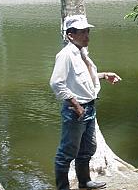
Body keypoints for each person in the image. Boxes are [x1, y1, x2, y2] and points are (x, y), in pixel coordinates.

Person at [50, 14, 121, 190]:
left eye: (87, 31)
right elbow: (56, 83)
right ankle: (62, 187)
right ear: (70, 35)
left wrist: (104, 75)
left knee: (88, 148)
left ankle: (84, 181)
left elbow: (81, 79)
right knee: (66, 152)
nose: (87, 36)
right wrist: (75, 104)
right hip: (76, 109)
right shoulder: (66, 55)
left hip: (88, 107)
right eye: (82, 32)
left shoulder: (81, 53)